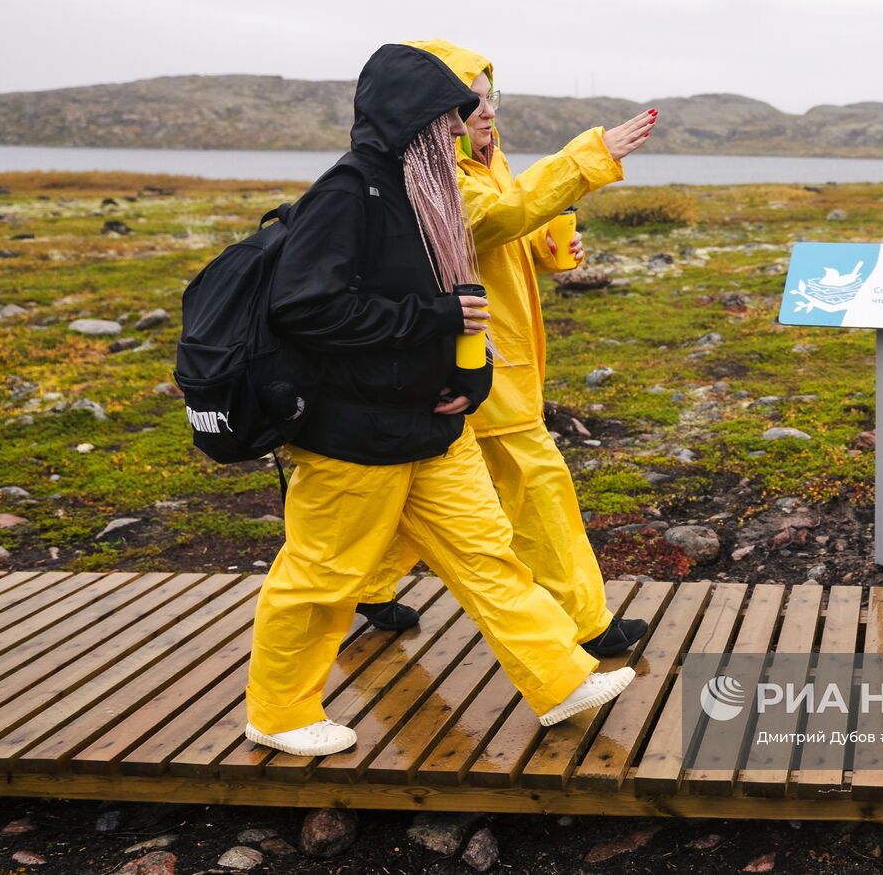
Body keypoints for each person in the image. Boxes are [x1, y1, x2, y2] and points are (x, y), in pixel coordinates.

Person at [243, 42, 635, 757]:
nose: (465, 127)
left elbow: (459, 297)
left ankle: (559, 678)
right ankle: (278, 711)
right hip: (352, 432)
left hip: (431, 418)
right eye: (451, 115)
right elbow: (307, 308)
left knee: (488, 554)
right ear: (410, 118)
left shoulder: (421, 190)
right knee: (320, 577)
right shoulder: (348, 192)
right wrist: (435, 322)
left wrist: (469, 376)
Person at [354, 39, 656, 659]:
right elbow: (491, 219)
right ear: (433, 113)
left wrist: (546, 252)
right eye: (470, 105)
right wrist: (586, 159)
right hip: (476, 358)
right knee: (536, 485)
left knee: (424, 482)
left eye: (491, 100)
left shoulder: (486, 160)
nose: (487, 114)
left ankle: (366, 584)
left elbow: (502, 230)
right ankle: (586, 623)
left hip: (486, 354)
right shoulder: (430, 175)